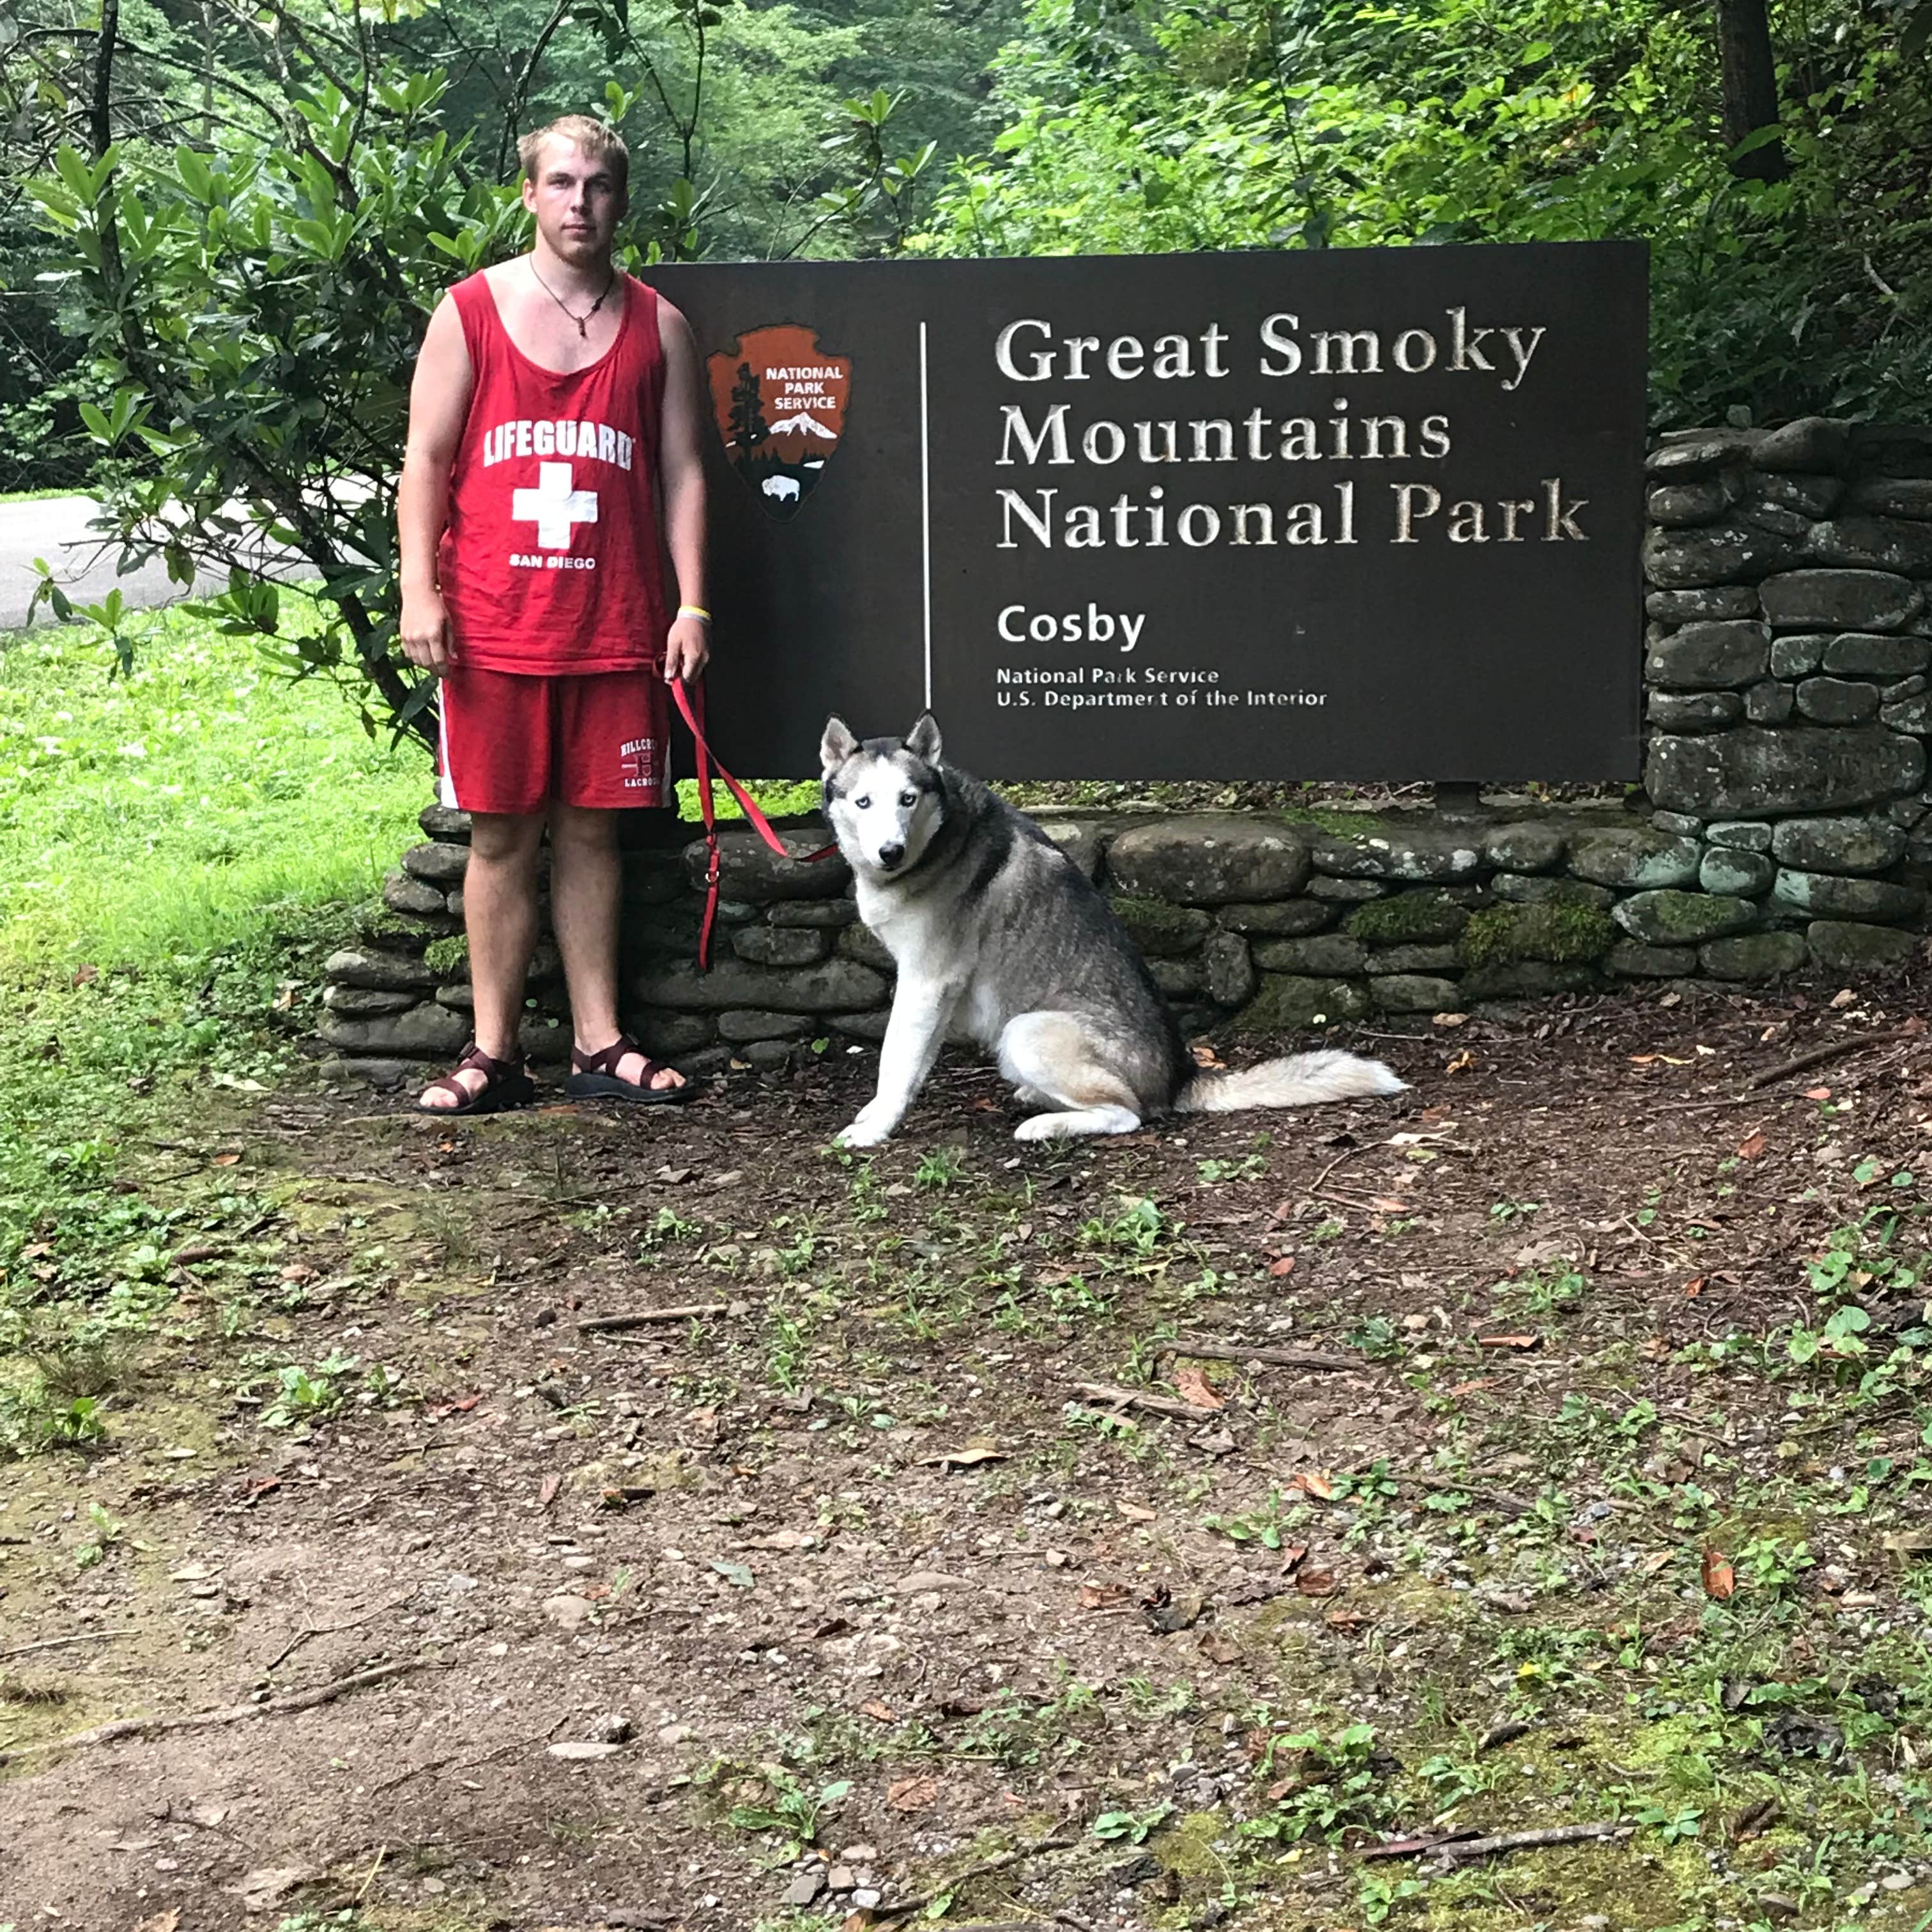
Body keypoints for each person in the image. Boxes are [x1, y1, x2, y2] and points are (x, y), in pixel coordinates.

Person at [397, 115, 709, 1114]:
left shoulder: (659, 324)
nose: (582, 203)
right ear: (529, 195)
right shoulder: (470, 312)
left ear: (622, 199)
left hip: (615, 624)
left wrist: (691, 602)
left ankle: (598, 1040)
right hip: (494, 622)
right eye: (563, 184)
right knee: (499, 837)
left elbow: (686, 473)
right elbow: (427, 465)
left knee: (591, 837)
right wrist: (419, 591)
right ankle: (491, 1054)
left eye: (602, 185)